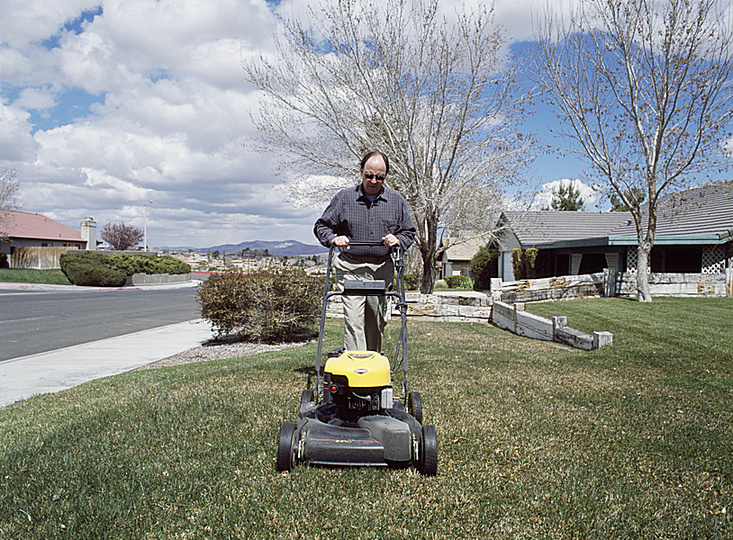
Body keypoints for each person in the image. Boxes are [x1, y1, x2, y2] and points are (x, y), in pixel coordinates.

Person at [314, 151, 416, 352]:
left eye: (380, 177)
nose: (373, 180)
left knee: (376, 321)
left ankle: (373, 362)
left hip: (381, 268)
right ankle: (357, 366)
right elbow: (321, 226)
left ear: (386, 176)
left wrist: (398, 240)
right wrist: (334, 239)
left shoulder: (396, 200)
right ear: (361, 171)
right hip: (350, 267)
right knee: (353, 321)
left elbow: (408, 232)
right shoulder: (344, 198)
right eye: (369, 175)